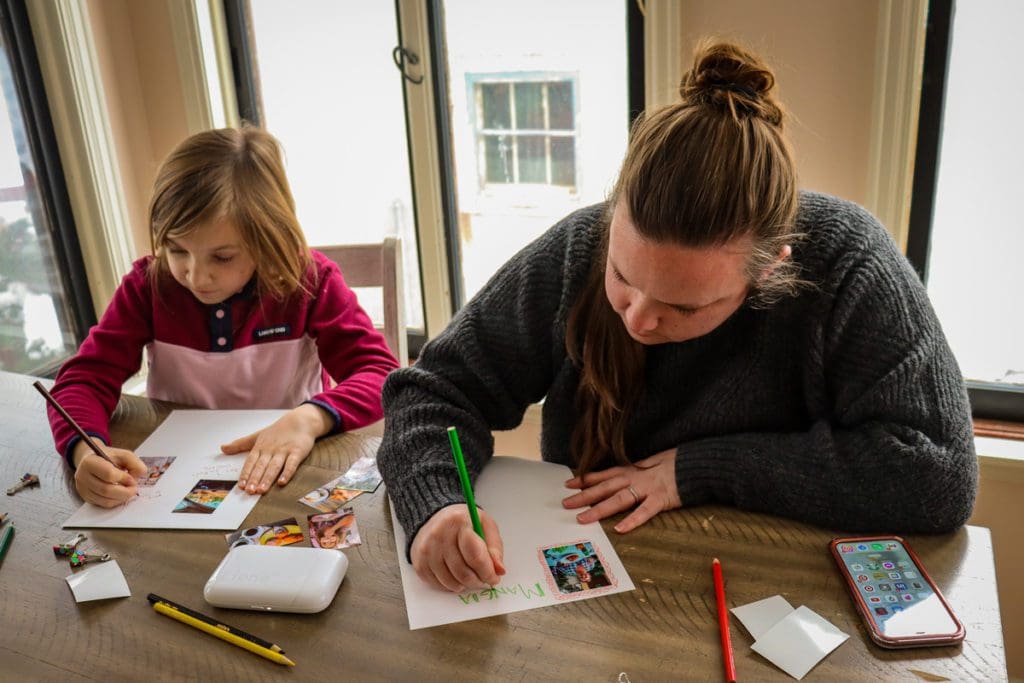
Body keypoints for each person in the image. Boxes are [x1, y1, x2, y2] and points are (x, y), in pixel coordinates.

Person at [377, 40, 978, 594]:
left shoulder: (851, 265)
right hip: (596, 573)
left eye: (683, 306)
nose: (637, 320)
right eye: (621, 277)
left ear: (769, 271)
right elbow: (435, 390)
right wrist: (437, 502)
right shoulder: (578, 247)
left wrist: (700, 470)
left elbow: (937, 476)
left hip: (776, 580)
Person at [47, 126, 398, 507]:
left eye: (223, 257)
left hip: (289, 471)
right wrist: (86, 450)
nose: (196, 277)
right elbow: (83, 379)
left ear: (268, 239)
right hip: (177, 477)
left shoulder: (309, 282)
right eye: (177, 250)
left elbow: (380, 373)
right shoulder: (147, 287)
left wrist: (308, 419)